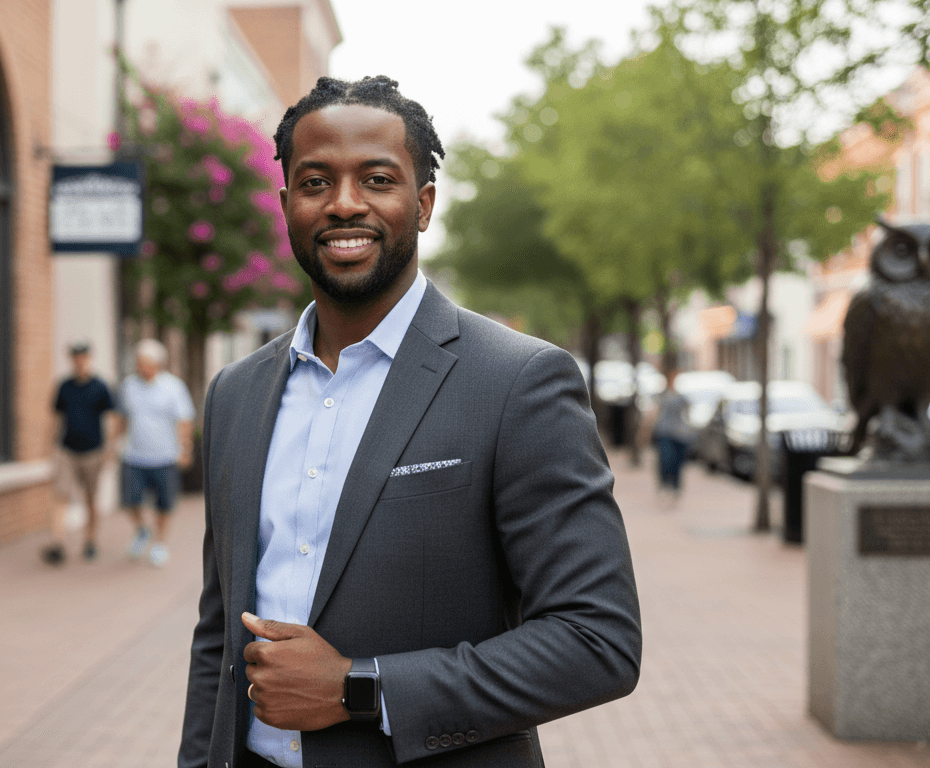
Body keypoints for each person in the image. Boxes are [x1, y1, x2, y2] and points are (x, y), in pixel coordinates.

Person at [180, 76, 641, 768]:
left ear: (422, 204)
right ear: (286, 207)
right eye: (315, 182)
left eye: (376, 179)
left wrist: (358, 689)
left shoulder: (517, 382)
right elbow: (218, 637)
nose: (344, 204)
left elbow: (596, 640)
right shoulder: (234, 394)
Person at [117, 339, 195, 568]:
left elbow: (185, 420)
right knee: (130, 502)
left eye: (148, 363)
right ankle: (142, 531)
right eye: (140, 363)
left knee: (164, 505)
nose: (143, 368)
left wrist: (185, 448)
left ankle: (159, 543)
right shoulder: (129, 385)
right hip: (133, 456)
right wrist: (114, 444)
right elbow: (122, 417)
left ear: (159, 364)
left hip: (165, 457)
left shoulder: (173, 386)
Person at [43, 342, 118, 565]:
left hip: (93, 451)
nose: (79, 361)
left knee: (90, 498)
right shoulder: (64, 386)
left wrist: (110, 448)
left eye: (83, 356)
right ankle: (58, 543)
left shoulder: (100, 386)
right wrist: (49, 448)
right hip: (67, 450)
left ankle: (90, 541)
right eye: (75, 357)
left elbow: (111, 418)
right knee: (61, 495)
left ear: (89, 358)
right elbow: (56, 418)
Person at [650, 369, 693, 506]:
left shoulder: (682, 397)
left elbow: (688, 412)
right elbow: (655, 412)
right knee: (665, 460)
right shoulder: (663, 395)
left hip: (680, 435)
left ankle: (675, 487)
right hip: (665, 433)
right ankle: (665, 486)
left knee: (677, 463)